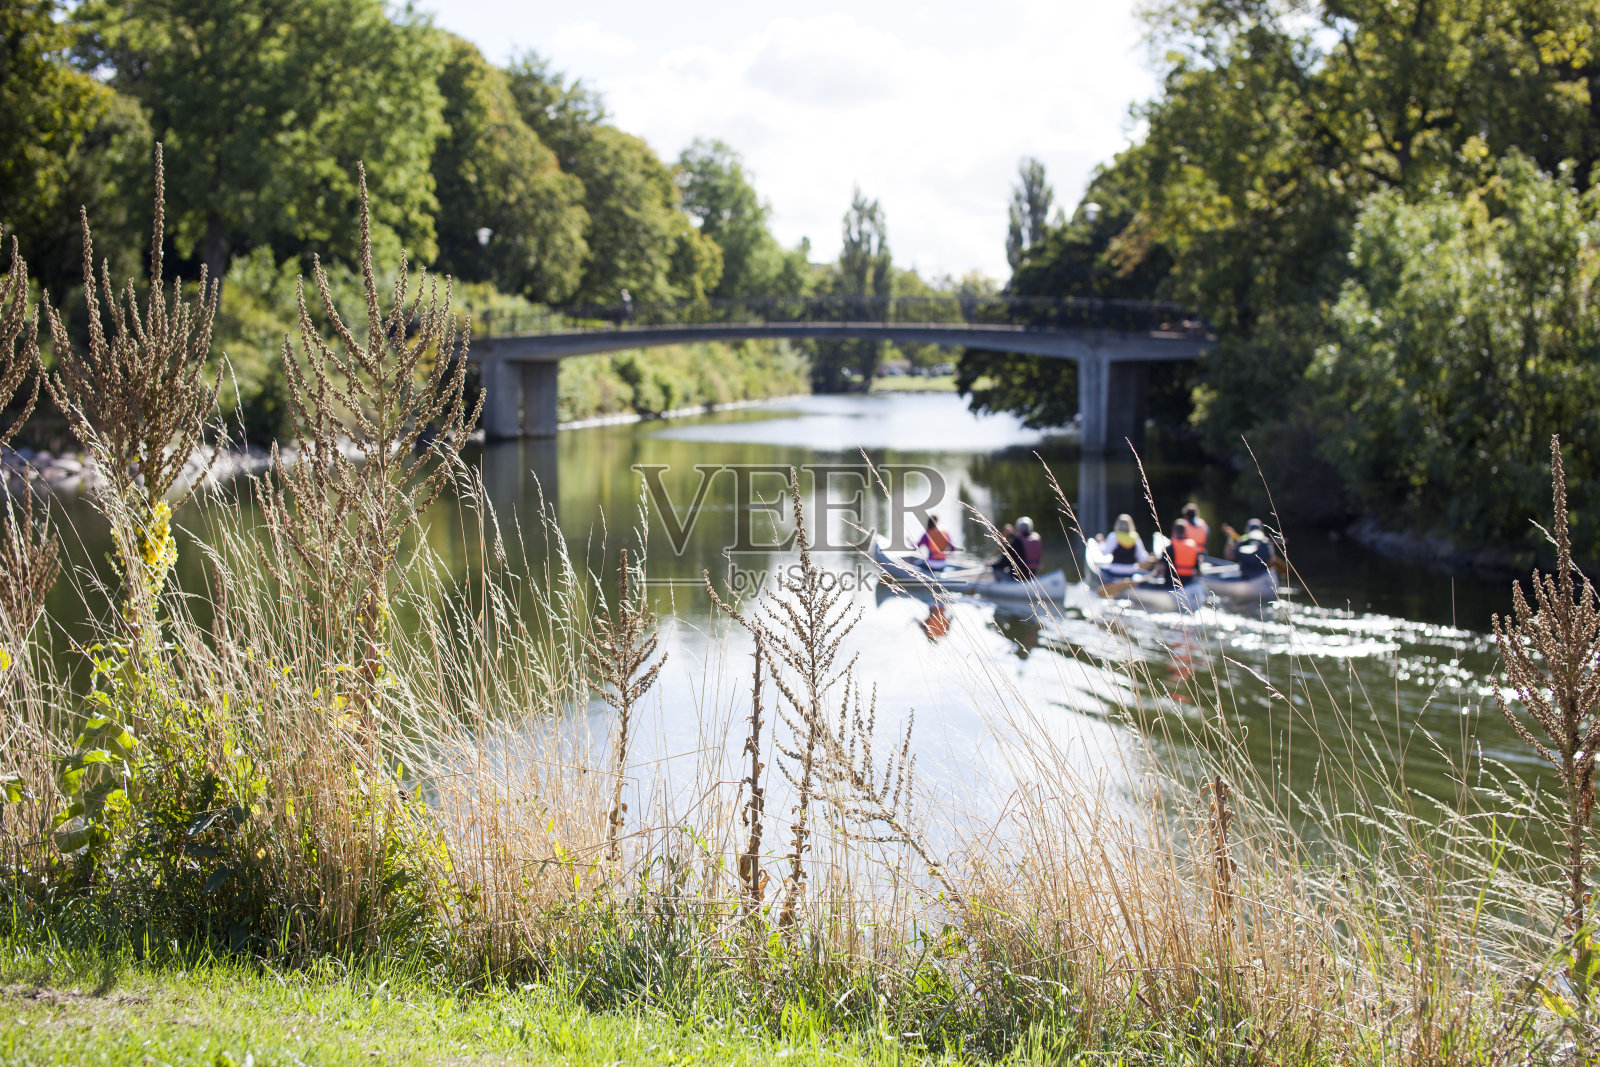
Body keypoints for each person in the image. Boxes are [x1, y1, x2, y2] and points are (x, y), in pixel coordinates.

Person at [1151, 518, 1204, 590]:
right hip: (1188, 584)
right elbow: (1198, 572)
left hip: (1172, 585)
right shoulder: (1193, 548)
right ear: (1185, 532)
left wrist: (1153, 576)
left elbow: (1161, 568)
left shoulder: (1169, 548)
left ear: (1174, 531)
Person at [1095, 513, 1149, 579]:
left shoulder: (1114, 536)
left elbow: (1104, 552)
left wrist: (1100, 542)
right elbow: (1143, 558)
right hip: (1131, 571)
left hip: (1116, 570)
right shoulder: (1135, 537)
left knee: (1101, 570)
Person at [994, 515, 1043, 580]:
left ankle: (1000, 584)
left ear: (1018, 529)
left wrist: (992, 565)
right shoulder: (1036, 538)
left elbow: (1003, 562)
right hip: (1033, 573)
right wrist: (1011, 534)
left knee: (997, 570)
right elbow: (1021, 540)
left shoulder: (1015, 543)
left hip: (1019, 577)